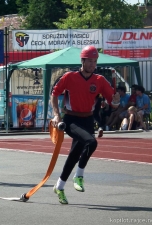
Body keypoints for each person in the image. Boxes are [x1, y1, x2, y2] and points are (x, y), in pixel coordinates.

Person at [51, 45, 120, 204]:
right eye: (89, 61)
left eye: (95, 61)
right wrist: (56, 116)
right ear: (82, 60)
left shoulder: (100, 80)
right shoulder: (69, 76)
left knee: (74, 155)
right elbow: (54, 94)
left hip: (88, 120)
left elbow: (112, 102)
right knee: (91, 142)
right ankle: (79, 175)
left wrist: (115, 102)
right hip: (71, 120)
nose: (92, 64)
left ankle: (59, 186)